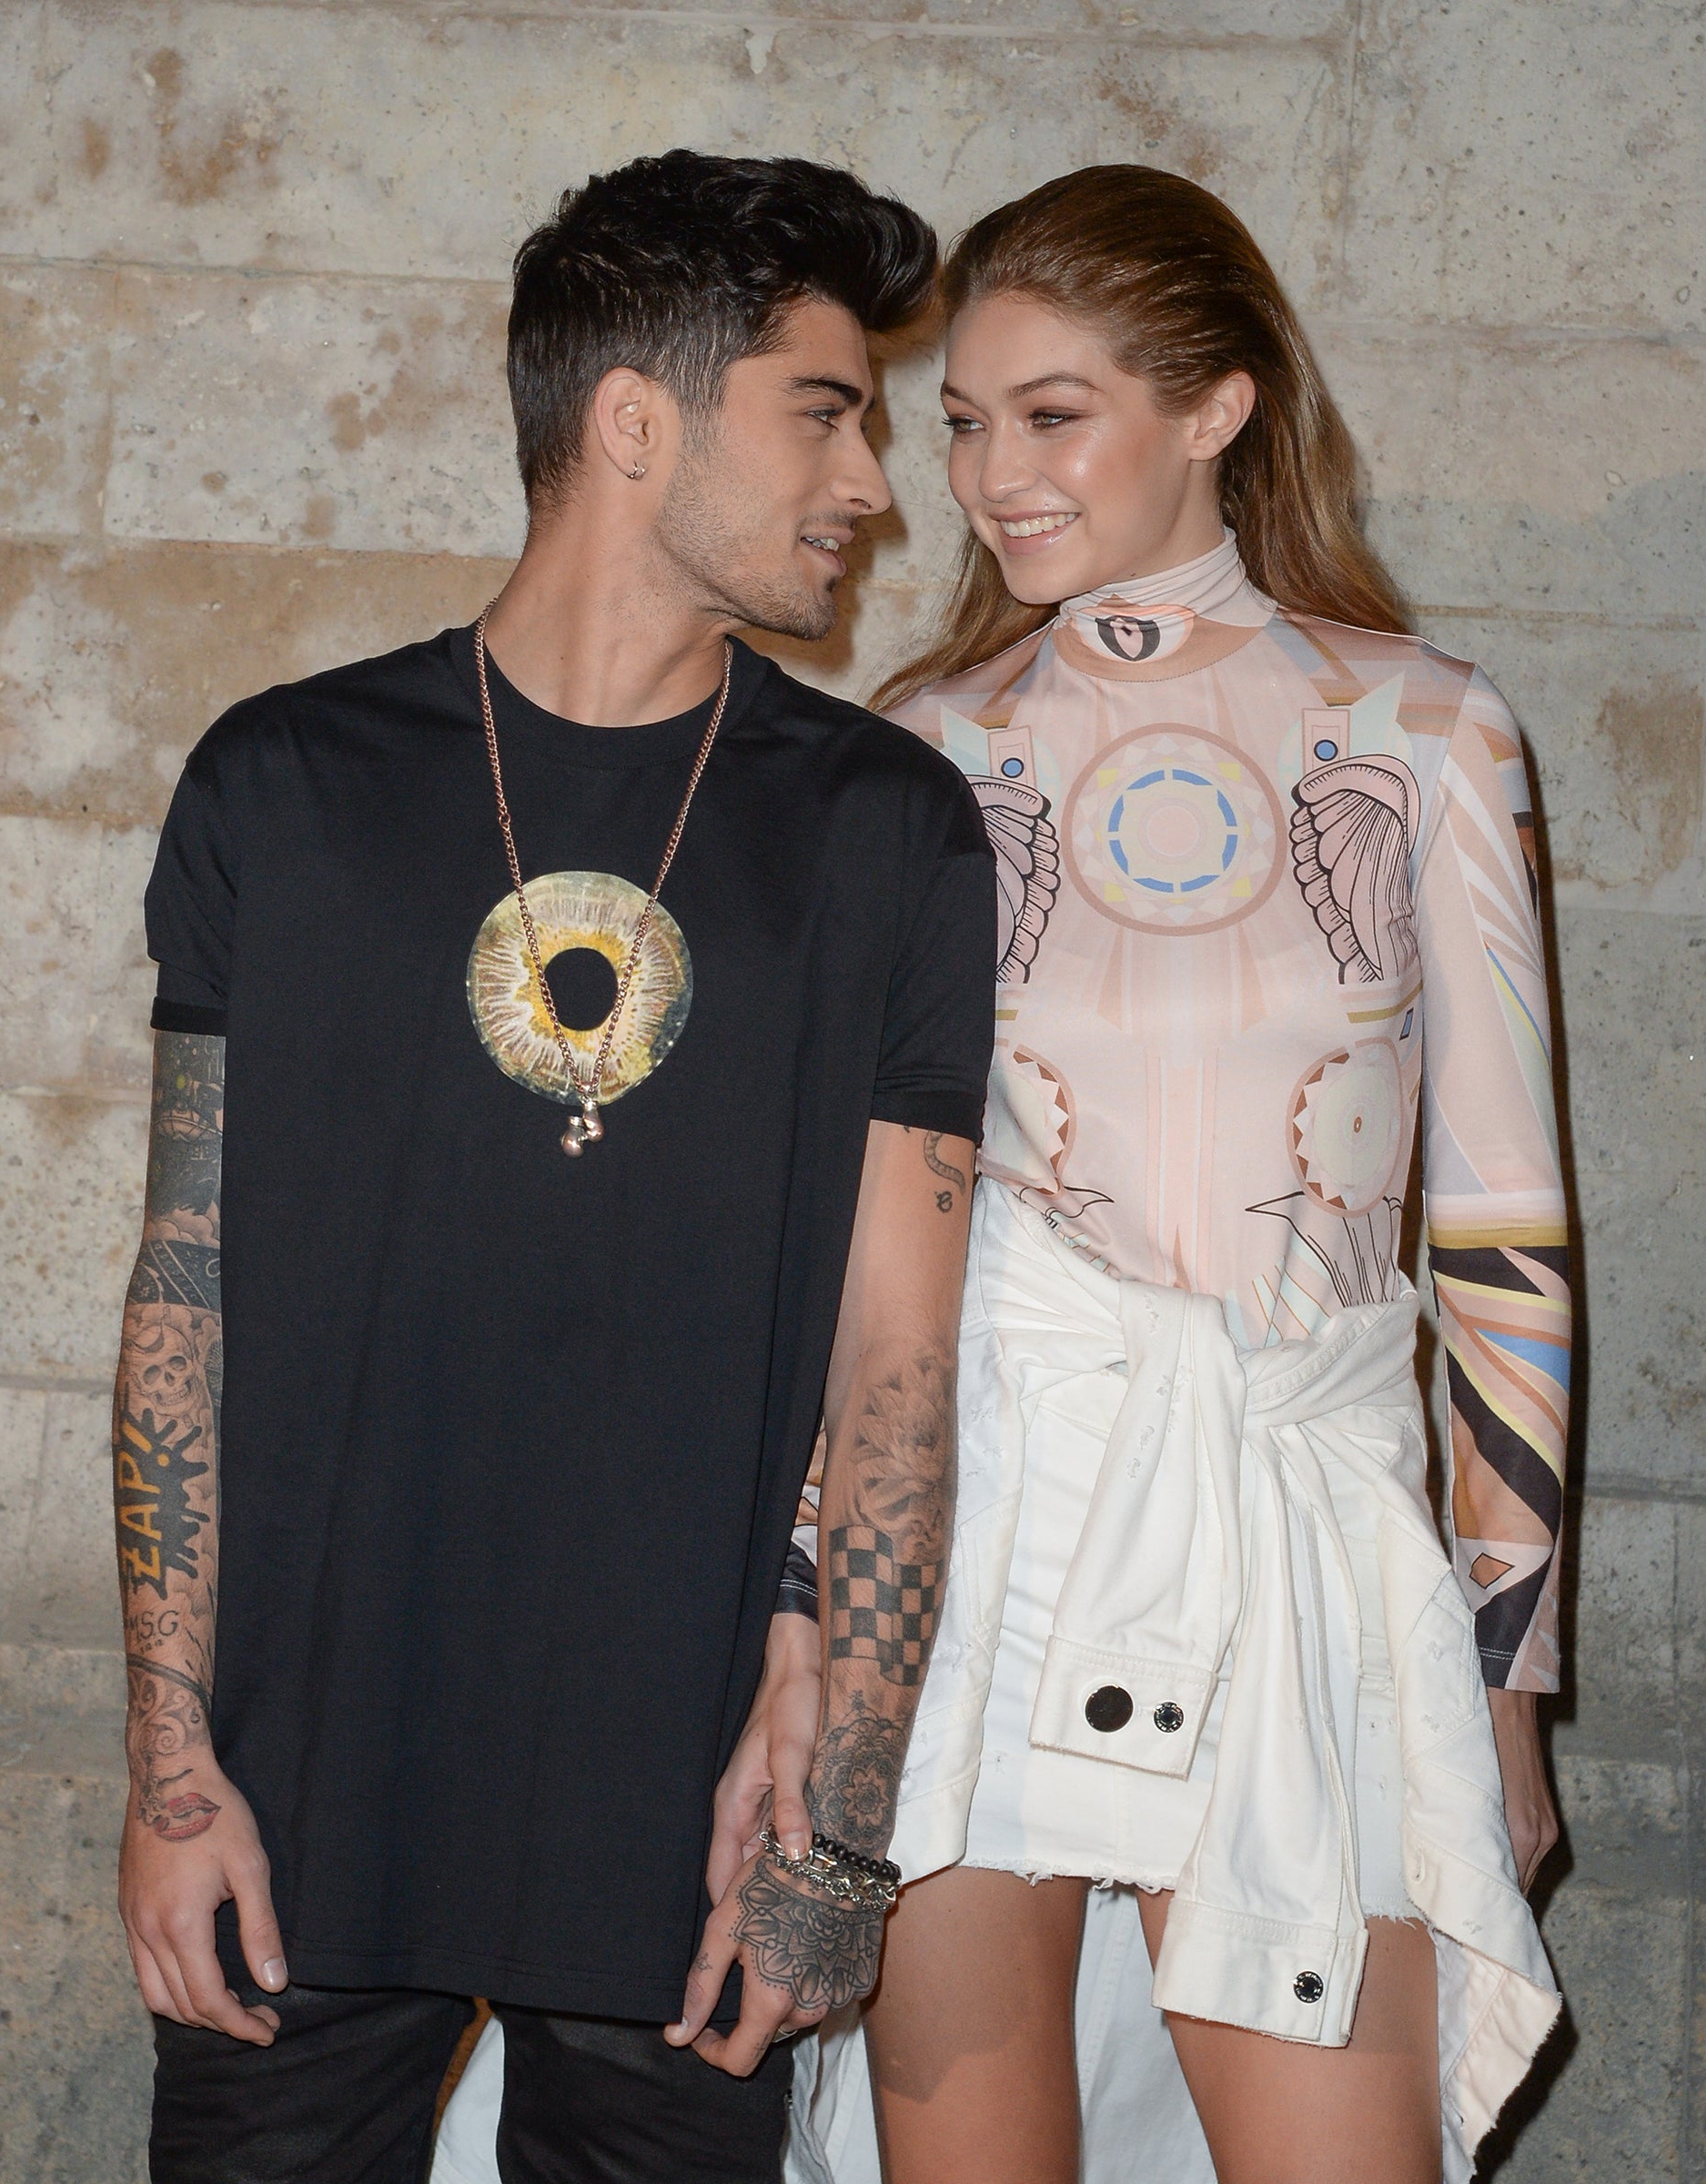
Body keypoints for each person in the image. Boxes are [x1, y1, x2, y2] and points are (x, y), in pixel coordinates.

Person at [113, 149, 995, 2184]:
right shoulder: (283, 782)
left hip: (690, 1839)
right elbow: (184, 1288)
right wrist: (169, 1771)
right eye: (824, 411)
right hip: (299, 1804)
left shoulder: (887, 832)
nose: (872, 482)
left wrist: (839, 1832)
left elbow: (897, 1366)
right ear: (631, 420)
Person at [789, 166, 1570, 2184]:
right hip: (977, 1537)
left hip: (1301, 1530)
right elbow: (846, 1252)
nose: (991, 476)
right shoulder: (918, 751)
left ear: (1217, 405)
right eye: (966, 421)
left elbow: (1501, 1237)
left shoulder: (1429, 732)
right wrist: (803, 1620)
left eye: (1052, 416)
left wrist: (1504, 1677)